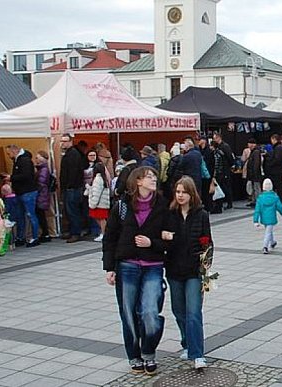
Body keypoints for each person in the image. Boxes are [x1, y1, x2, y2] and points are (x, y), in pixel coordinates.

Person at [102, 166, 169, 375]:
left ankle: (149, 351)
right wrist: (109, 268)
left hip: (153, 266)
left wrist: (152, 243)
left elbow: (170, 238)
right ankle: (134, 356)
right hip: (127, 266)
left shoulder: (162, 205)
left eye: (154, 177)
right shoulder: (122, 207)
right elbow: (110, 238)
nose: (153, 180)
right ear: (138, 181)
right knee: (128, 314)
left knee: (150, 312)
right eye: (149, 177)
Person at [163, 176, 211, 370]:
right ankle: (187, 343)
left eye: (184, 192)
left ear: (192, 194)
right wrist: (164, 237)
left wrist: (205, 269)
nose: (180, 195)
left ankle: (197, 353)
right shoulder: (170, 214)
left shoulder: (201, 214)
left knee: (193, 312)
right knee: (179, 311)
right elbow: (163, 240)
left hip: (194, 271)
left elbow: (207, 242)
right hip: (174, 270)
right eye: (178, 192)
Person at [5, 144, 40, 247]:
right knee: (21, 215)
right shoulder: (18, 160)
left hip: (28, 191)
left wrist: (11, 178)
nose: (8, 155)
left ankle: (34, 237)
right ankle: (21, 237)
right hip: (21, 192)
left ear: (14, 151)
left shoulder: (24, 160)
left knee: (30, 215)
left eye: (9, 153)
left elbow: (26, 176)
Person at [60, 133, 86, 243]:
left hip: (73, 188)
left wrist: (69, 185)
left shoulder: (73, 154)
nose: (62, 143)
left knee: (73, 211)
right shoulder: (70, 153)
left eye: (65, 141)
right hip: (71, 187)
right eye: (62, 141)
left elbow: (74, 172)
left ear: (70, 141)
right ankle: (73, 231)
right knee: (71, 211)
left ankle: (76, 233)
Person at [253, 178, 282, 254]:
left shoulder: (260, 198)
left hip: (264, 218)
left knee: (268, 230)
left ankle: (272, 242)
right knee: (268, 232)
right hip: (272, 217)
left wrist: (255, 220)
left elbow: (257, 210)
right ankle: (265, 246)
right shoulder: (275, 197)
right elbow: (279, 207)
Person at [88, 162, 111, 242]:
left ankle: (104, 234)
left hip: (98, 203)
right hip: (103, 202)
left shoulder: (98, 179)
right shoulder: (104, 178)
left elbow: (97, 192)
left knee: (101, 219)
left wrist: (93, 202)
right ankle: (105, 233)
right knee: (101, 218)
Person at [212, 133, 235, 209]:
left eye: (215, 138)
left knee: (226, 186)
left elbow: (230, 158)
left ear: (219, 138)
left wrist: (229, 166)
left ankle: (229, 203)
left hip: (225, 170)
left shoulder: (225, 146)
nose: (214, 140)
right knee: (221, 186)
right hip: (220, 170)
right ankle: (221, 203)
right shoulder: (218, 147)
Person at [264, 134, 282, 201]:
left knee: (278, 187)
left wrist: (270, 163)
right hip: (277, 170)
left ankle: (279, 200)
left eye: (271, 140)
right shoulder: (279, 147)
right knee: (278, 187)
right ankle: (279, 200)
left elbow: (277, 159)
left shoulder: (278, 148)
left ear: (274, 139)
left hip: (276, 171)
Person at [208, 141, 227, 214]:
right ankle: (219, 206)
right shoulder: (220, 153)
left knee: (216, 191)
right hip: (221, 174)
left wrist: (213, 176)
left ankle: (217, 207)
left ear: (213, 146)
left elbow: (215, 165)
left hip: (217, 175)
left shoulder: (215, 154)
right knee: (219, 189)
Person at [244, 140, 263, 207]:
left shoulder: (256, 152)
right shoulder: (254, 152)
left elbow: (256, 164)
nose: (249, 146)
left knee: (256, 188)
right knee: (253, 188)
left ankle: (258, 201)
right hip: (252, 174)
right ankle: (254, 200)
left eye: (249, 144)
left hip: (255, 174)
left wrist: (254, 173)